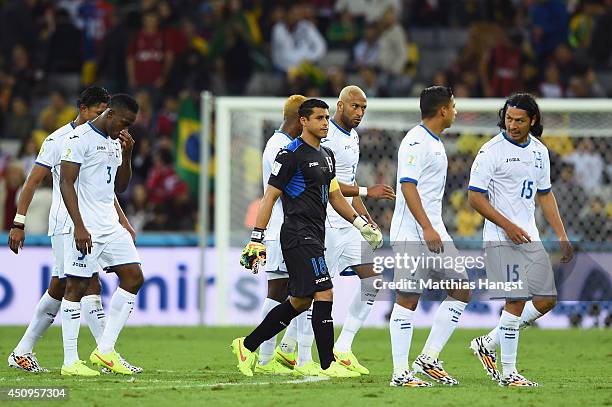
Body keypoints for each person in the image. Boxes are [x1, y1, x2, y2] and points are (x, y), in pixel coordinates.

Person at [231, 99, 382, 378]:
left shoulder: (327, 155)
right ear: (303, 121)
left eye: (327, 118)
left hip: (316, 232)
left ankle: (247, 345)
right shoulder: (290, 154)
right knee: (324, 291)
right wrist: (256, 238)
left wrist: (360, 224)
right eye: (319, 118)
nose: (325, 123)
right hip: (297, 234)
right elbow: (270, 196)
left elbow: (335, 196)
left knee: (300, 301)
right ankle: (328, 363)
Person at [7, 87, 140, 375]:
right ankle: (100, 355)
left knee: (62, 286)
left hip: (96, 221)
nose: (102, 115)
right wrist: (19, 221)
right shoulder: (59, 140)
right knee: (83, 285)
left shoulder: (110, 140)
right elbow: (32, 181)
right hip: (66, 223)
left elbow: (105, 187)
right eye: (97, 111)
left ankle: (25, 350)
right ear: (83, 109)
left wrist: (124, 221)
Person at [467, 93, 574, 387]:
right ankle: (509, 373)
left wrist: (561, 233)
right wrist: (508, 226)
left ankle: (488, 343)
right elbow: (475, 196)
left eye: (519, 120)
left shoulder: (539, 151)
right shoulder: (491, 151)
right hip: (501, 237)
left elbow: (545, 193)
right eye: (509, 118)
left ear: (533, 121)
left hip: (530, 236)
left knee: (546, 300)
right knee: (515, 300)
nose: (512, 125)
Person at [389, 86, 471, 387]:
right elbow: (407, 186)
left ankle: (428, 358)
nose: (456, 110)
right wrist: (425, 226)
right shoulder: (415, 141)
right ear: (442, 111)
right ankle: (400, 372)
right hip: (413, 231)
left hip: (432, 228)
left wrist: (431, 226)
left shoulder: (434, 142)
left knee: (461, 288)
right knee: (408, 298)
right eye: (453, 105)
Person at [59, 94, 143, 376]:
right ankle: (70, 361)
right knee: (77, 287)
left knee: (134, 278)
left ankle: (105, 351)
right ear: (109, 114)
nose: (125, 129)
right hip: (85, 228)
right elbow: (66, 183)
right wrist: (79, 226)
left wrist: (128, 154)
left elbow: (119, 186)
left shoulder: (115, 142)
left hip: (110, 225)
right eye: (124, 122)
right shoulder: (78, 139)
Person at [321, 85, 395, 375]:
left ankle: (343, 347)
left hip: (349, 221)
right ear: (340, 106)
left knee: (373, 280)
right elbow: (328, 185)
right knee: (315, 291)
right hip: (326, 221)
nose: (360, 113)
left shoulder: (353, 137)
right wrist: (368, 191)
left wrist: (365, 219)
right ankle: (290, 351)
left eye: (364, 108)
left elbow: (348, 188)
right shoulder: (327, 137)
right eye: (355, 107)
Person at [253, 95, 306, 375]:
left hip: (285, 227)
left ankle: (282, 353)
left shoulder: (281, 143)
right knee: (278, 294)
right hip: (281, 229)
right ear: (301, 118)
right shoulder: (281, 147)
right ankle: (264, 358)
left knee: (295, 293)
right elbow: (285, 191)